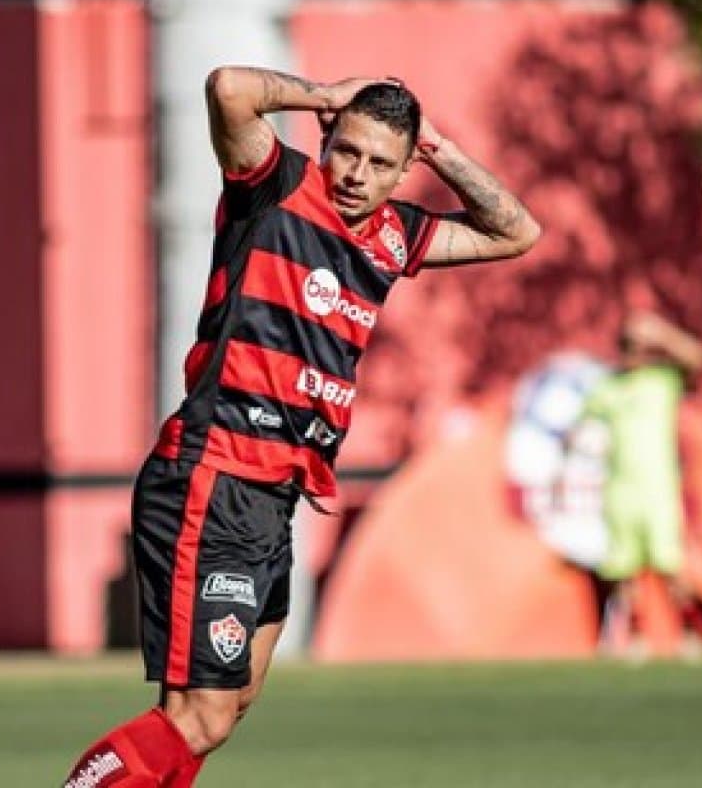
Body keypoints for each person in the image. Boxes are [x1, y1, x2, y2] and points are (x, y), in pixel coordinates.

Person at [60, 67, 541, 788]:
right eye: (347, 150)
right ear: (326, 138)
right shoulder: (276, 186)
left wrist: (440, 147)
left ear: (406, 170)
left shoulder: (394, 236)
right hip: (216, 472)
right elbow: (227, 88)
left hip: (275, 497)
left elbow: (516, 231)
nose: (357, 174)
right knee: (203, 716)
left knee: (227, 705)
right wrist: (323, 94)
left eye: (382, 163)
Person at [579, 310, 702, 657]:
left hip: (659, 491)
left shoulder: (662, 381)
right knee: (625, 573)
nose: (632, 353)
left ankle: (689, 632)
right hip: (620, 491)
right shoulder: (606, 388)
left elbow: (700, 359)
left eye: (638, 346)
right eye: (626, 345)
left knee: (671, 569)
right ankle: (635, 638)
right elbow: (581, 431)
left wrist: (664, 334)